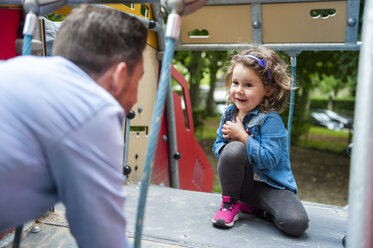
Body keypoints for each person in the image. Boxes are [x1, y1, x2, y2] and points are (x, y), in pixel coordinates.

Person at [0, 5, 147, 248]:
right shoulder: (93, 110)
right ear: (120, 75)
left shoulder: (17, 69)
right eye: (138, 79)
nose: (136, 98)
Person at [211, 47, 309, 236]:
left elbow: (269, 160)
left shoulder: (270, 120)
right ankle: (230, 203)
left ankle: (258, 208)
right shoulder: (229, 114)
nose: (239, 90)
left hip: (272, 186)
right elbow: (217, 146)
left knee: (296, 224)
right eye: (235, 83)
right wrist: (228, 146)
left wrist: (243, 137)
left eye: (248, 85)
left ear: (268, 90)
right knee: (233, 150)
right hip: (243, 185)